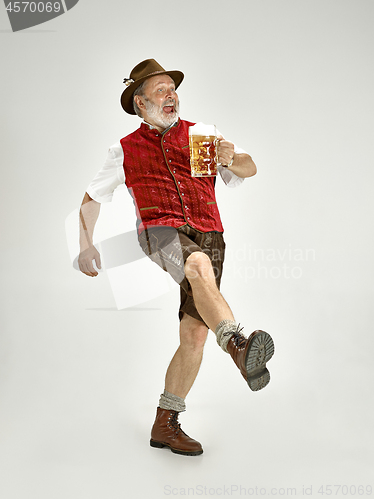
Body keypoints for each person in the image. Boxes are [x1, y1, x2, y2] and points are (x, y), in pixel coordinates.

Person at [78, 59, 274, 456]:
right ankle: (238, 345)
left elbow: (249, 168)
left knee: (194, 334)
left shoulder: (203, 134)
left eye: (173, 88)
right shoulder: (124, 150)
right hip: (159, 232)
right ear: (140, 103)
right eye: (161, 89)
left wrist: (228, 157)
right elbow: (91, 198)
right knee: (197, 265)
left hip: (211, 233)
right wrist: (86, 243)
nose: (172, 95)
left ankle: (165, 423)